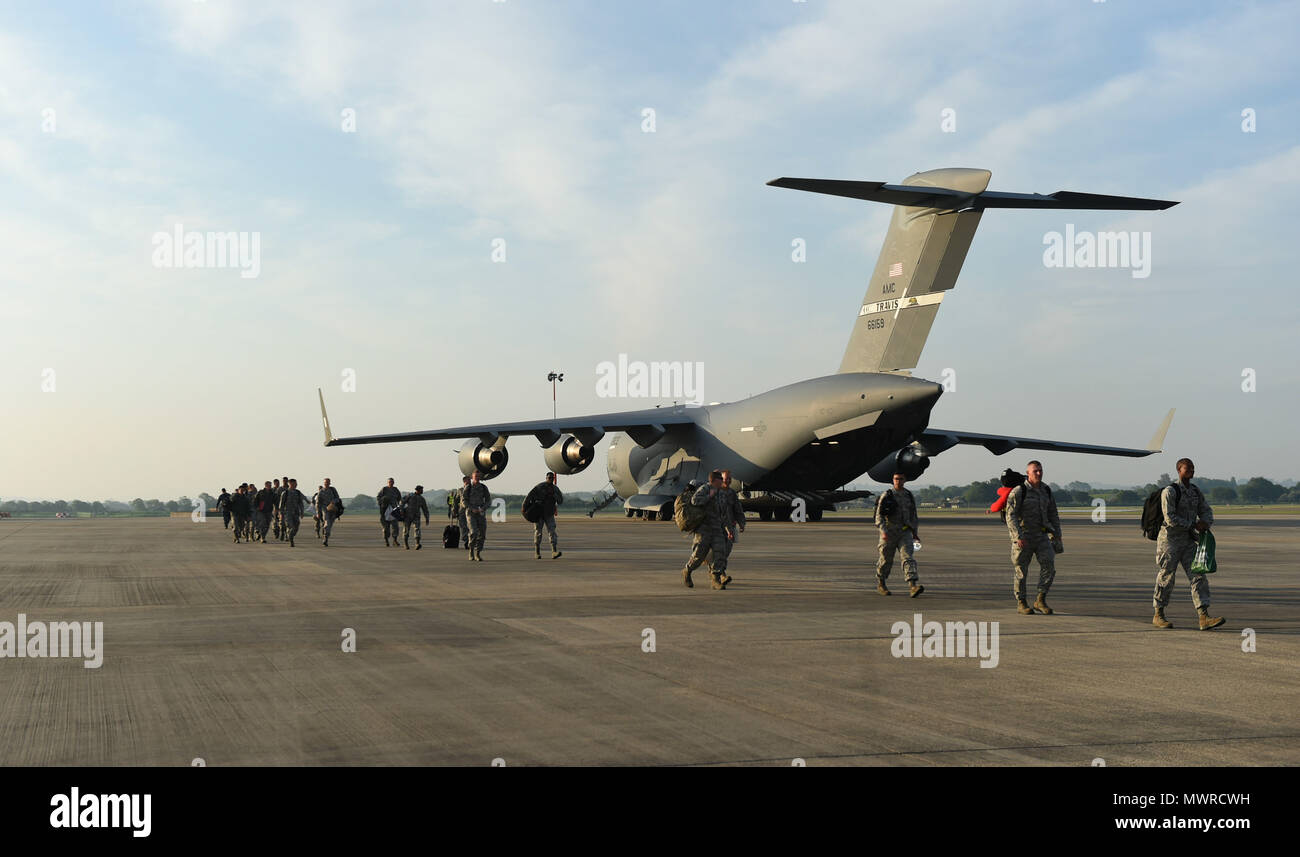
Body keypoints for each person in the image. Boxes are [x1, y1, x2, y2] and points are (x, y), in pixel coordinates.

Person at [1153, 458, 1225, 630]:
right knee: (1166, 576)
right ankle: (1159, 614)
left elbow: (1206, 510)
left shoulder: (1194, 491)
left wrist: (1205, 522)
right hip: (1169, 541)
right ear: (1179, 470)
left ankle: (1203, 616)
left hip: (1187, 540)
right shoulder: (1170, 491)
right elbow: (1169, 518)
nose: (1191, 471)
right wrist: (1193, 524)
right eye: (1187, 468)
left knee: (1198, 575)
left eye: (1192, 468)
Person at [1005, 460, 1061, 615]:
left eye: (1040, 470)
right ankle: (1021, 602)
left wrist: (1057, 535)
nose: (1039, 473)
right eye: (1035, 471)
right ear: (1028, 473)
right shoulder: (1019, 491)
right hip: (1024, 536)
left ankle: (1040, 599)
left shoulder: (1046, 490)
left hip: (1042, 535)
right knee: (1021, 571)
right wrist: (1017, 537)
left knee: (1049, 566)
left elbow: (1053, 514)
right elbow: (1011, 516)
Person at [874, 472, 923, 597]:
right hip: (889, 532)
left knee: (908, 558)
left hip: (904, 532)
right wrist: (883, 531)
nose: (898, 481)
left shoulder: (909, 495)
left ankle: (913, 585)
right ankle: (881, 583)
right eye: (896, 479)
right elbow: (878, 516)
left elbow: (914, 515)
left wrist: (915, 533)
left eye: (901, 479)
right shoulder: (887, 495)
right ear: (893, 480)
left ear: (905, 480)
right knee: (885, 560)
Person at [682, 470, 730, 590]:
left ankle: (715, 579)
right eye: (720, 479)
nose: (723, 481)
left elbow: (724, 513)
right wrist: (709, 497)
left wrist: (728, 529)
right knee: (699, 555)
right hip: (704, 528)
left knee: (720, 553)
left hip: (717, 528)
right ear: (713, 480)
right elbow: (694, 501)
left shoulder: (722, 493)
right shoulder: (705, 489)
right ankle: (687, 571)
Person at [716, 470, 746, 586]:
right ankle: (721, 574)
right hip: (717, 527)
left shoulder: (732, 493)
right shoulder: (715, 492)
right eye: (725, 478)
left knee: (726, 552)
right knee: (719, 552)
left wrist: (742, 523)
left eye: (729, 479)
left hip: (730, 527)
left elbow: (737, 509)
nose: (728, 481)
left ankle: (719, 572)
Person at [527, 472, 564, 559]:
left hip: (549, 514)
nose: (551, 479)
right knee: (538, 532)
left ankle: (554, 551)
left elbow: (560, 501)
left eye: (552, 478)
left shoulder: (555, 489)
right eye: (549, 478)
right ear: (546, 478)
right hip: (539, 514)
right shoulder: (539, 487)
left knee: (552, 532)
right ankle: (537, 552)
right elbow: (530, 497)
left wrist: (554, 495)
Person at [462, 471, 491, 561]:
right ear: (472, 477)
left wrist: (483, 508)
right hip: (471, 513)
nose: (477, 478)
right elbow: (464, 501)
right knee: (473, 532)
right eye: (475, 476)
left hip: (481, 513)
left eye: (478, 476)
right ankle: (471, 551)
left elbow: (488, 500)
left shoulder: (483, 487)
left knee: (482, 534)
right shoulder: (468, 487)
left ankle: (478, 553)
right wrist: (471, 508)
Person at [279, 478, 308, 547]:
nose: (296, 485)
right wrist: (281, 514)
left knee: (296, 527)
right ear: (290, 484)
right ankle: (291, 539)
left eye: (296, 483)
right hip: (287, 513)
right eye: (294, 483)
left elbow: (300, 503)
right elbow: (281, 505)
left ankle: (290, 535)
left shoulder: (298, 492)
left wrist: (302, 512)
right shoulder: (285, 493)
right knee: (291, 526)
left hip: (296, 512)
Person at [317, 478, 342, 547]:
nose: (327, 484)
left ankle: (326, 535)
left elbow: (338, 498)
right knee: (327, 523)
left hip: (333, 510)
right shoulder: (321, 492)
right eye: (325, 482)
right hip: (325, 510)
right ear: (324, 483)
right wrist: (318, 512)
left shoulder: (333, 490)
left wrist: (333, 501)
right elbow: (318, 503)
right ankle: (325, 538)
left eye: (328, 482)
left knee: (330, 525)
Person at [378, 477, 402, 547]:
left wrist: (399, 506)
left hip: (394, 510)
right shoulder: (384, 489)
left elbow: (399, 498)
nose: (391, 483)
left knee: (395, 527)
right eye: (390, 482)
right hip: (385, 511)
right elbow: (378, 497)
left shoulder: (396, 490)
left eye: (392, 482)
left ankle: (395, 540)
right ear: (387, 482)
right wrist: (382, 502)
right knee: (386, 528)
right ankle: (386, 541)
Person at [403, 485, 429, 550]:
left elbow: (425, 509)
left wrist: (427, 518)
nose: (422, 491)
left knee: (417, 529)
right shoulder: (410, 496)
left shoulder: (422, 499)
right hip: (407, 515)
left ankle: (417, 543)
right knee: (406, 530)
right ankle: (406, 544)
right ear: (417, 490)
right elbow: (402, 502)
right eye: (421, 490)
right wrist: (401, 510)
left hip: (416, 516)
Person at [452, 476, 471, 550]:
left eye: (470, 480)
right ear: (464, 481)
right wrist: (454, 511)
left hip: (471, 511)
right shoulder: (460, 490)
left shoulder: (473, 489)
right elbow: (455, 501)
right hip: (462, 512)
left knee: (471, 526)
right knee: (463, 527)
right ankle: (466, 541)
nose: (470, 482)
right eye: (468, 480)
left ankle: (471, 540)